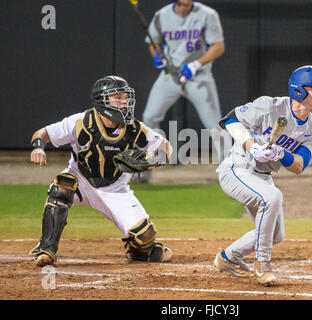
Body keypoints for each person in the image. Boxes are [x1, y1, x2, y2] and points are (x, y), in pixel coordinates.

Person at [29, 75, 173, 267]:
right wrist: (38, 147)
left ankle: (142, 253)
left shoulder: (135, 129)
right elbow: (42, 133)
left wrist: (151, 161)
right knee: (62, 186)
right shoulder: (80, 122)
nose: (124, 102)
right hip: (80, 179)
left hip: (115, 189)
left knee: (144, 236)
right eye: (118, 97)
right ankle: (46, 248)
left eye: (125, 97)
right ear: (102, 100)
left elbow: (166, 148)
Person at [213, 65, 312, 285]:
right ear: (298, 90)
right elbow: (229, 120)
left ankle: (228, 258)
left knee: (276, 235)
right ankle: (263, 265)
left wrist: (280, 152)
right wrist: (252, 146)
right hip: (236, 169)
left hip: (262, 178)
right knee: (273, 197)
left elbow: (298, 166)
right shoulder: (269, 106)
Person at [142, 0, 225, 165]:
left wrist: (196, 64)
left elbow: (218, 46)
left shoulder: (207, 14)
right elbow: (153, 43)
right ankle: (148, 163)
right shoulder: (162, 15)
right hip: (170, 76)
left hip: (198, 76)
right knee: (149, 117)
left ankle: (231, 166)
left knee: (215, 124)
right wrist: (156, 56)